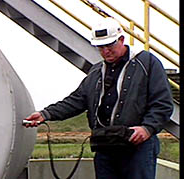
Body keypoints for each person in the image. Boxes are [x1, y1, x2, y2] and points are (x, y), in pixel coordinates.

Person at [24, 17, 173, 179]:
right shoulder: (96, 72)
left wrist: (147, 128)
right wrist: (45, 114)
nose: (105, 51)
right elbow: (76, 100)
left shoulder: (148, 63)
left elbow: (163, 103)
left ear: (121, 39)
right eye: (100, 47)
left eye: (109, 45)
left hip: (137, 147)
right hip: (105, 146)